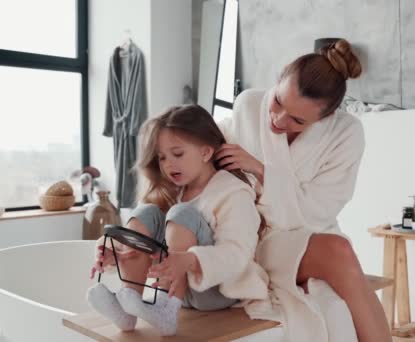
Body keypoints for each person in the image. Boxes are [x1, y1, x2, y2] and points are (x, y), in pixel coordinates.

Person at [215, 39, 392, 342]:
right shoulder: (248, 106)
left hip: (307, 232)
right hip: (251, 236)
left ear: (325, 118)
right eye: (278, 102)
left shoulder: (345, 134)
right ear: (280, 78)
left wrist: (262, 171)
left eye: (297, 120)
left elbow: (316, 213)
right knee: (340, 253)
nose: (278, 120)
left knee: (339, 253)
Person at [86, 105, 269, 336]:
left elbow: (237, 254)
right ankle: (128, 303)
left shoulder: (233, 192)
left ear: (206, 152)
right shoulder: (176, 191)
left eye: (177, 154)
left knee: (182, 214)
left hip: (218, 291)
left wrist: (190, 260)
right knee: (147, 211)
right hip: (182, 291)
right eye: (162, 157)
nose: (168, 164)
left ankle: (165, 309)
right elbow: (154, 249)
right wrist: (116, 252)